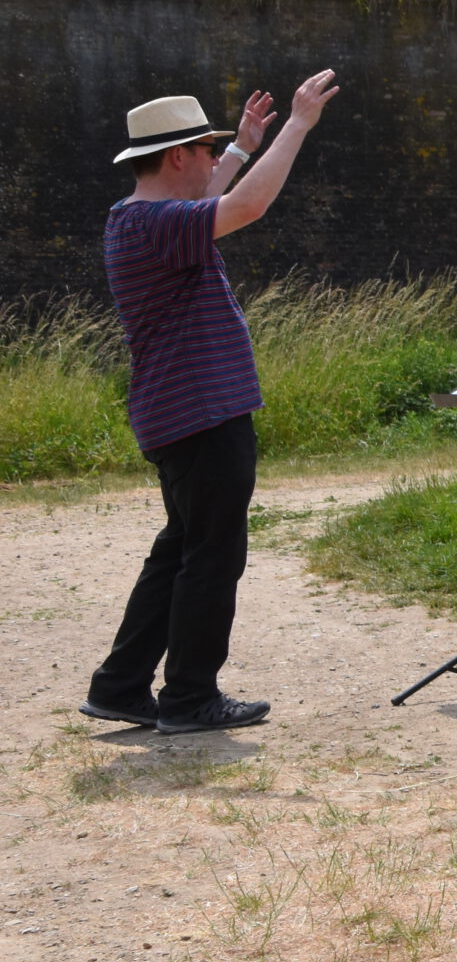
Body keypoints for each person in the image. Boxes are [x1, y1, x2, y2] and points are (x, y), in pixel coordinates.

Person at [83, 74, 338, 736]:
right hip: (201, 414)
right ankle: (190, 695)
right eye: (204, 148)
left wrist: (240, 149)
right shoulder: (153, 223)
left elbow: (212, 195)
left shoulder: (138, 219)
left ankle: (120, 685)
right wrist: (297, 125)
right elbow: (245, 207)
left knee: (183, 546)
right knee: (213, 552)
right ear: (177, 156)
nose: (209, 158)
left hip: (180, 413)